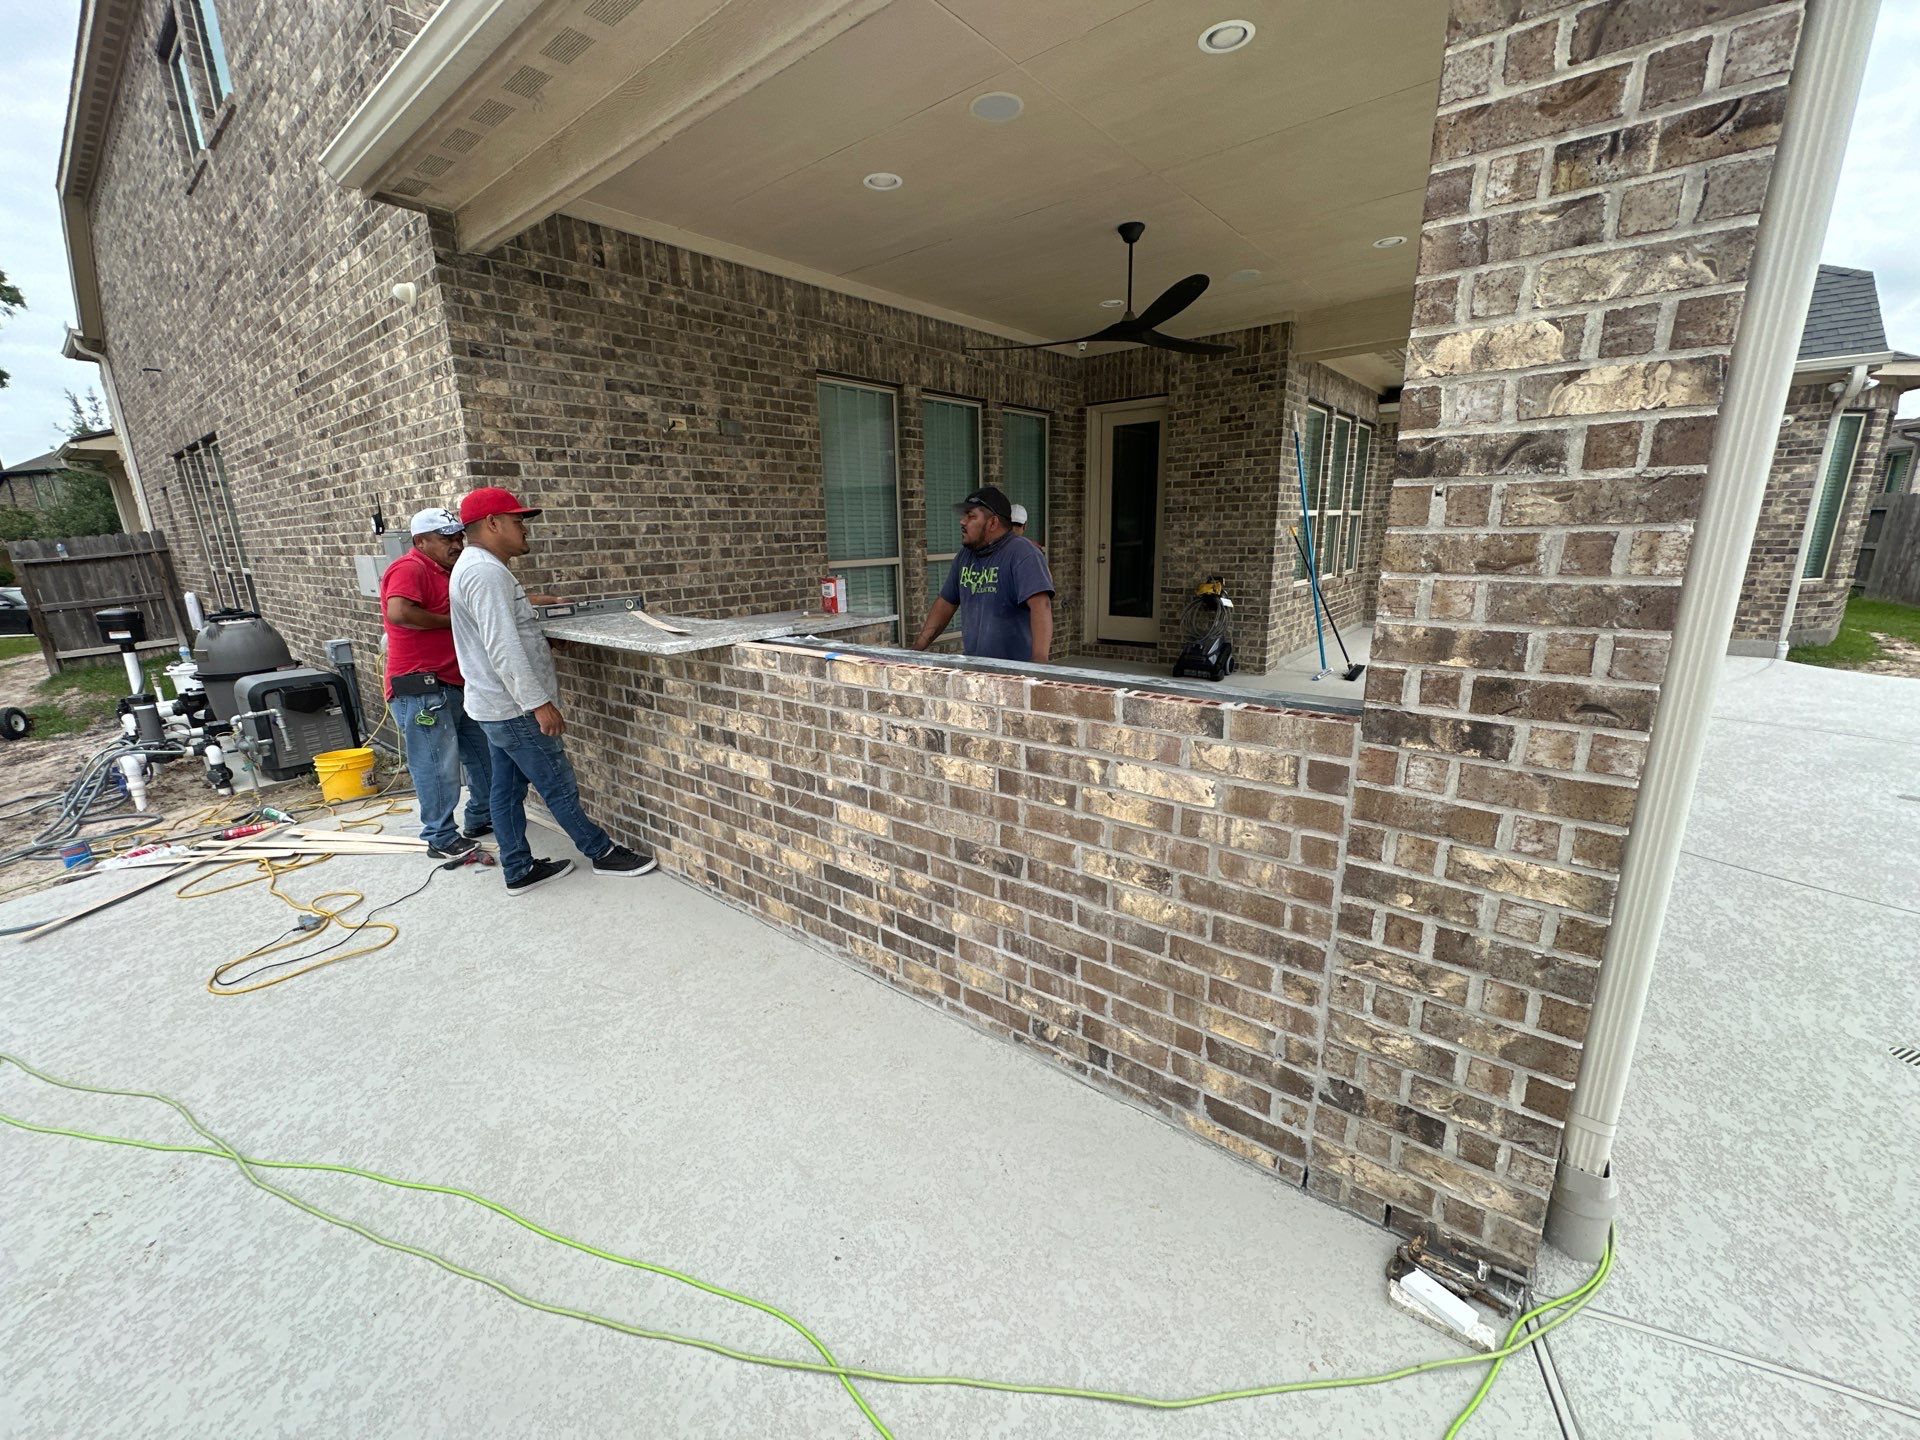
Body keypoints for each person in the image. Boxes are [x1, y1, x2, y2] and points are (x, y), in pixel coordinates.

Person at [449, 486, 655, 896]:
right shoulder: (485, 573)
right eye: (517, 521)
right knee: (557, 784)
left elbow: (508, 631)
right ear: (492, 523)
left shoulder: (477, 567)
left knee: (506, 792)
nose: (524, 530)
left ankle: (518, 869)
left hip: (494, 706)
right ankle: (602, 853)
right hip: (514, 708)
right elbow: (502, 645)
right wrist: (539, 704)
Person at [380, 506, 492, 860]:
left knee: (485, 756)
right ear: (421, 541)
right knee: (436, 764)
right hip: (423, 690)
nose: (456, 543)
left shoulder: (450, 571)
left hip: (455, 684)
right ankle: (441, 837)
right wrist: (452, 623)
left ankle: (481, 816)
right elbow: (399, 612)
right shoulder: (410, 567)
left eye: (458, 536)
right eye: (446, 539)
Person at [911, 485, 1054, 663]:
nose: (962, 522)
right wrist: (916, 650)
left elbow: (1041, 606)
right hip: (977, 670)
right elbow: (945, 603)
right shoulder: (965, 556)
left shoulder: (1022, 553)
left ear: (992, 523)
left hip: (1015, 673)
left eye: (971, 516)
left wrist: (1039, 665)